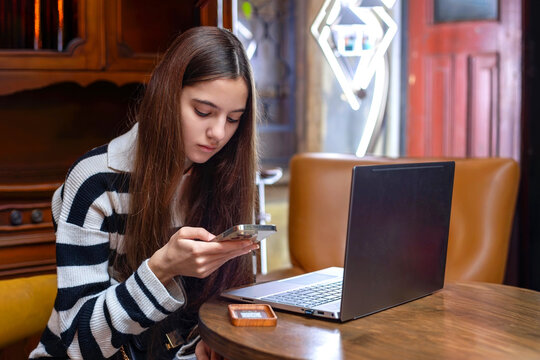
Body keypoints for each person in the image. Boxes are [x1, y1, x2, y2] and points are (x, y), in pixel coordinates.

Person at [30, 26, 260, 360]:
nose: (218, 133)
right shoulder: (96, 181)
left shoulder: (221, 178)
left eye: (234, 119)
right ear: (167, 96)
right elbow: (78, 342)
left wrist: (209, 338)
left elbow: (193, 317)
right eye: (203, 112)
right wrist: (162, 267)